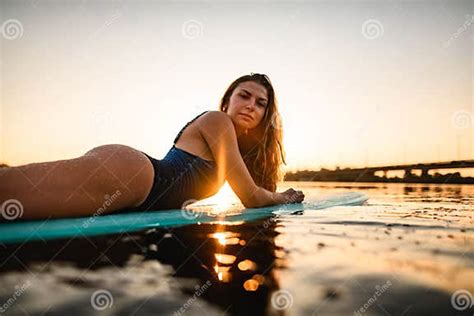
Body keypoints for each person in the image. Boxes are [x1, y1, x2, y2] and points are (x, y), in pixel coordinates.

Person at [0, 73, 304, 220]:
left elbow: (256, 193)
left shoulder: (234, 146)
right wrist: (284, 196)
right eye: (244, 95)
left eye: (261, 103)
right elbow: (251, 197)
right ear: (227, 101)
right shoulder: (217, 122)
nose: (251, 105)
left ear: (266, 114)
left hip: (136, 193)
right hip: (133, 176)